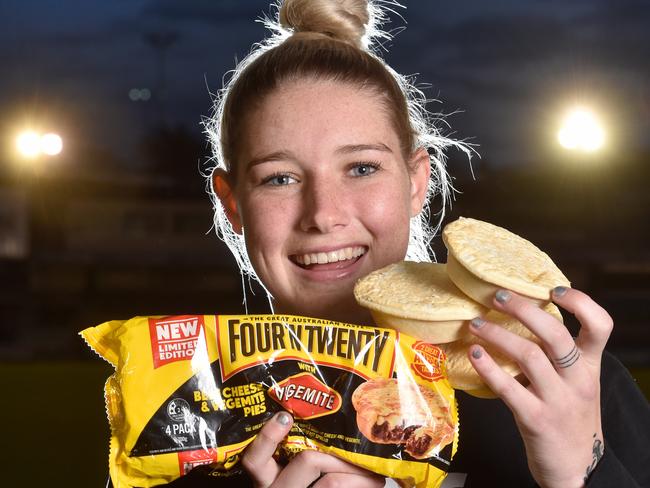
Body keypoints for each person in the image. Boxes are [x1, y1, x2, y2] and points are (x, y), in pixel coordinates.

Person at [154, 0, 650, 487]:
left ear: (416, 183)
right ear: (232, 205)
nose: (324, 215)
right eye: (279, 179)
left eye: (362, 168)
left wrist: (581, 475)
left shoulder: (558, 381)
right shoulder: (180, 424)